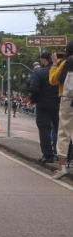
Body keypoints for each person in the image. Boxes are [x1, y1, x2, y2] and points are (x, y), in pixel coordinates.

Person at [28, 51, 60, 164]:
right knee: (61, 130)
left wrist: (35, 98)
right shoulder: (60, 70)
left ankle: (48, 155)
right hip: (59, 103)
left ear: (43, 60)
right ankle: (64, 155)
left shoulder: (39, 72)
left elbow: (33, 88)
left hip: (43, 104)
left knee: (44, 130)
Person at [48, 43, 73, 179]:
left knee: (64, 132)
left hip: (68, 98)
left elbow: (53, 80)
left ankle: (62, 167)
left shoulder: (66, 62)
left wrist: (55, 64)